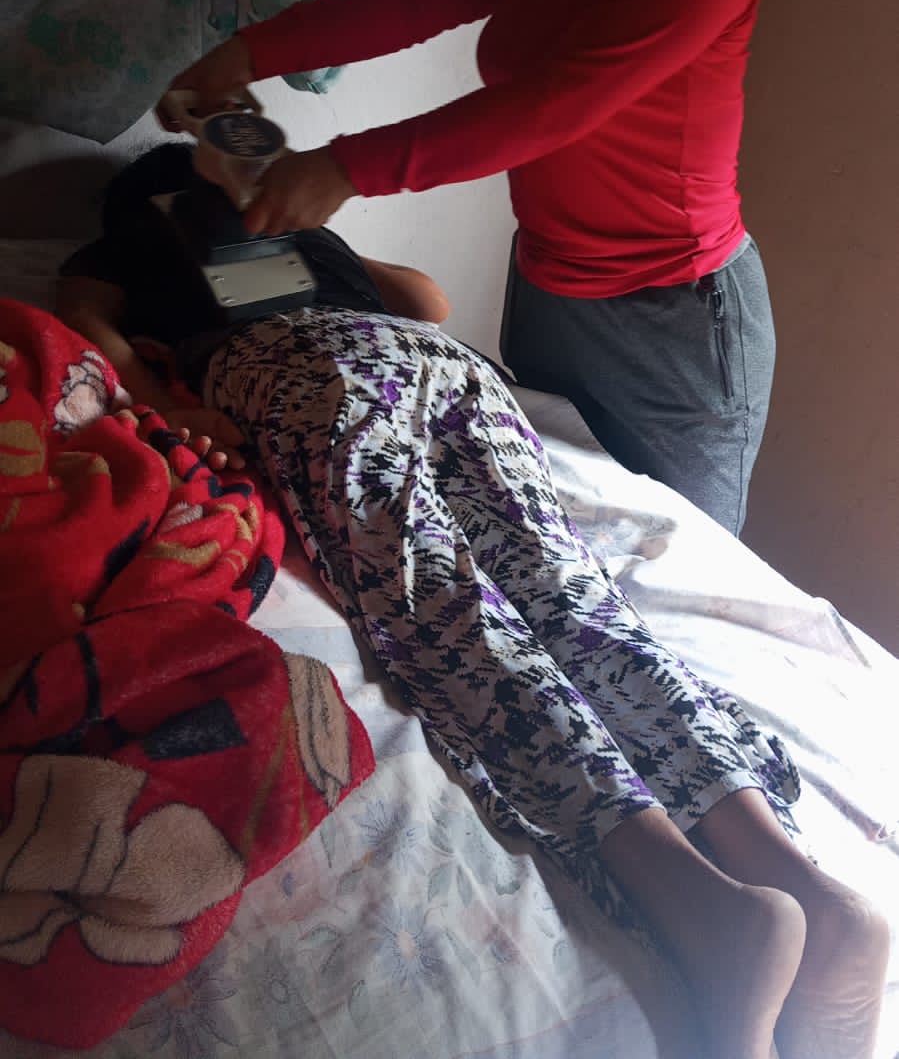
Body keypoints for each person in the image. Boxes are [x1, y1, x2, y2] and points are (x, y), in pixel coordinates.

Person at [57, 147, 888, 1059]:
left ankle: (703, 907)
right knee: (573, 603)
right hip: (450, 375)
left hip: (303, 374)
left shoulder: (126, 245)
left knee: (455, 622)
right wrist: (308, 233)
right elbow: (428, 302)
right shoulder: (298, 235)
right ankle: (793, 875)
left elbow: (86, 328)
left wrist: (165, 401)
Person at [158, 0, 775, 536]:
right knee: (546, 531)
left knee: (680, 562)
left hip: (670, 318)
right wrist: (242, 54)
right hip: (549, 288)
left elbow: (551, 106)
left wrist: (342, 168)